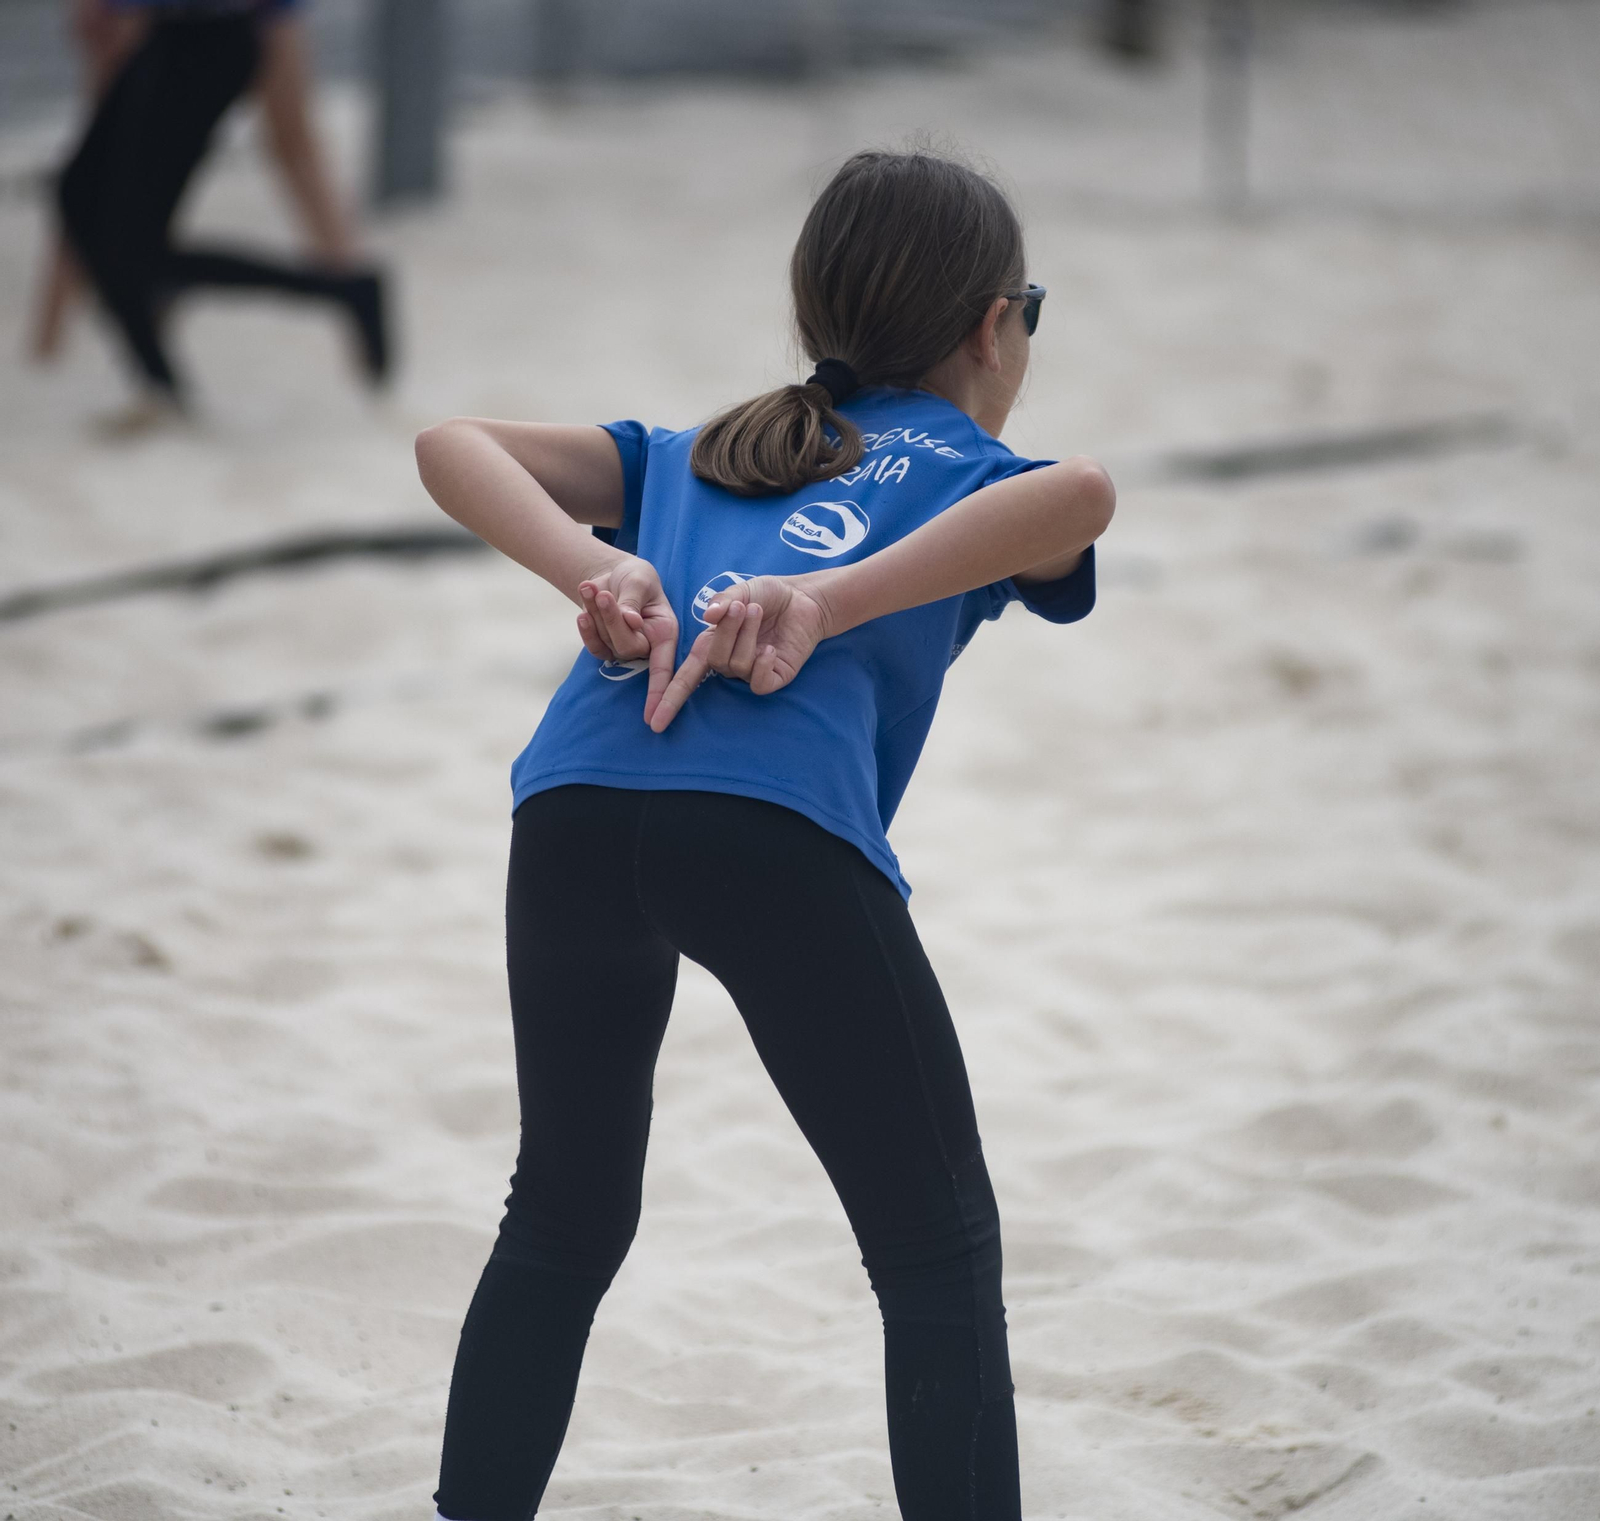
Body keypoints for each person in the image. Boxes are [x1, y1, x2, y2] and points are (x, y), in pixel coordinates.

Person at [413, 148, 1116, 1520]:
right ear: (995, 322)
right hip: (768, 836)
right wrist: (798, 596)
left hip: (571, 812)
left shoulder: (698, 451)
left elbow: (453, 442)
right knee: (936, 1255)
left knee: (562, 1215)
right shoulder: (964, 469)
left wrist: (604, 559)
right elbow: (1082, 493)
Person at [50, 0, 389, 427]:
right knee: (81, 195)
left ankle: (346, 290)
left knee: (130, 243)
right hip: (174, 29)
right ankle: (158, 380)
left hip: (215, 33)